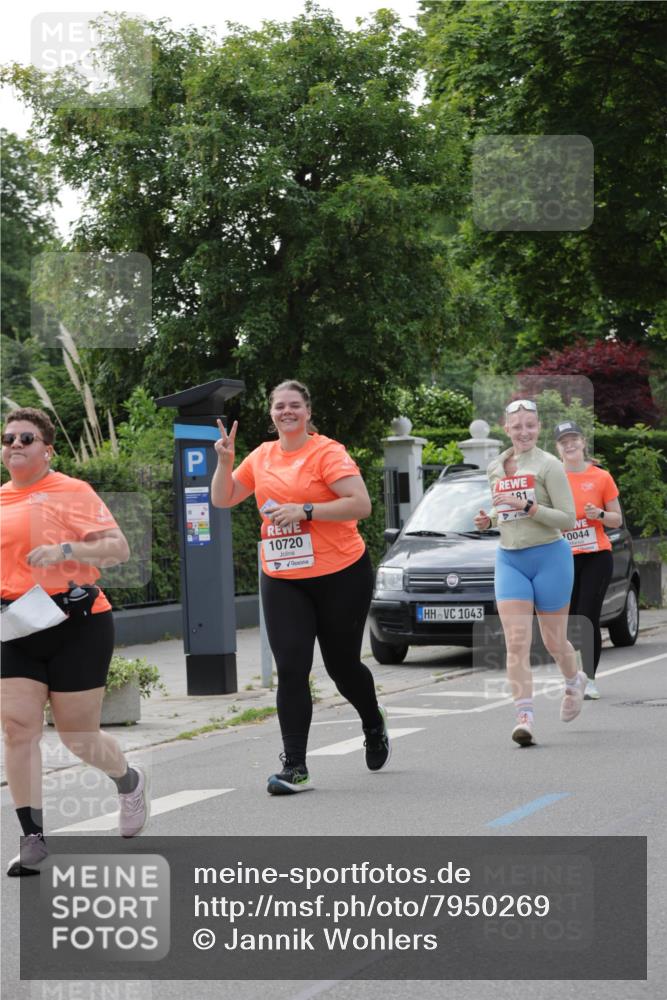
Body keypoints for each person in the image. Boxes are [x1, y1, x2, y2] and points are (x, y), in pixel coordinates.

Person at [211, 380, 389, 793]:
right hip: (284, 576)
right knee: (291, 668)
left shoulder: (327, 452)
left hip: (341, 572)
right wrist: (225, 462)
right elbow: (223, 499)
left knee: (342, 665)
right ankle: (295, 767)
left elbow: (360, 504)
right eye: (279, 406)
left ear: (307, 412)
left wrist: (306, 510)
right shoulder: (262, 456)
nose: (286, 412)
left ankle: (372, 721)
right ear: (271, 414)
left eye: (294, 405)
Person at [1, 408, 150, 876]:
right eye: (8, 438)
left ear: (48, 449)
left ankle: (128, 781)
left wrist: (66, 549)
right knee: (18, 728)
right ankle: (33, 837)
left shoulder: (72, 492)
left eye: (27, 438)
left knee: (78, 737)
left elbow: (119, 548)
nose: (15, 445)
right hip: (16, 628)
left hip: (77, 624)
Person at [473, 399, 585, 746]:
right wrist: (488, 518)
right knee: (516, 642)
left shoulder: (549, 466)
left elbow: (568, 518)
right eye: (517, 426)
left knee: (553, 641)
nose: (524, 432)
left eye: (530, 425)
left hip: (550, 557)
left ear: (538, 428)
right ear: (505, 428)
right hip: (510, 559)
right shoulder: (495, 465)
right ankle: (525, 717)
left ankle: (574, 679)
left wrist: (529, 506)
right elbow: (500, 505)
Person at [554, 420, 623, 700]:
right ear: (558, 448)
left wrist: (600, 516)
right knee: (566, 621)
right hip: (562, 557)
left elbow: (617, 520)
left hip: (597, 555)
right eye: (563, 441)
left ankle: (590, 680)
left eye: (574, 439)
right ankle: (573, 676)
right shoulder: (552, 478)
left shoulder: (601, 477)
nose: (569, 444)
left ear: (583, 442)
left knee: (586, 616)